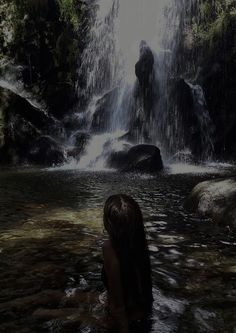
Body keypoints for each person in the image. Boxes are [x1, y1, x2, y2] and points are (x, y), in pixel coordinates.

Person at [101, 194, 153, 333]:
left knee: (49, 312)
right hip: (144, 312)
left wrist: (124, 329)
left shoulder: (109, 249)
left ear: (108, 223)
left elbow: (118, 308)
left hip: (125, 320)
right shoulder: (140, 243)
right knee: (56, 295)